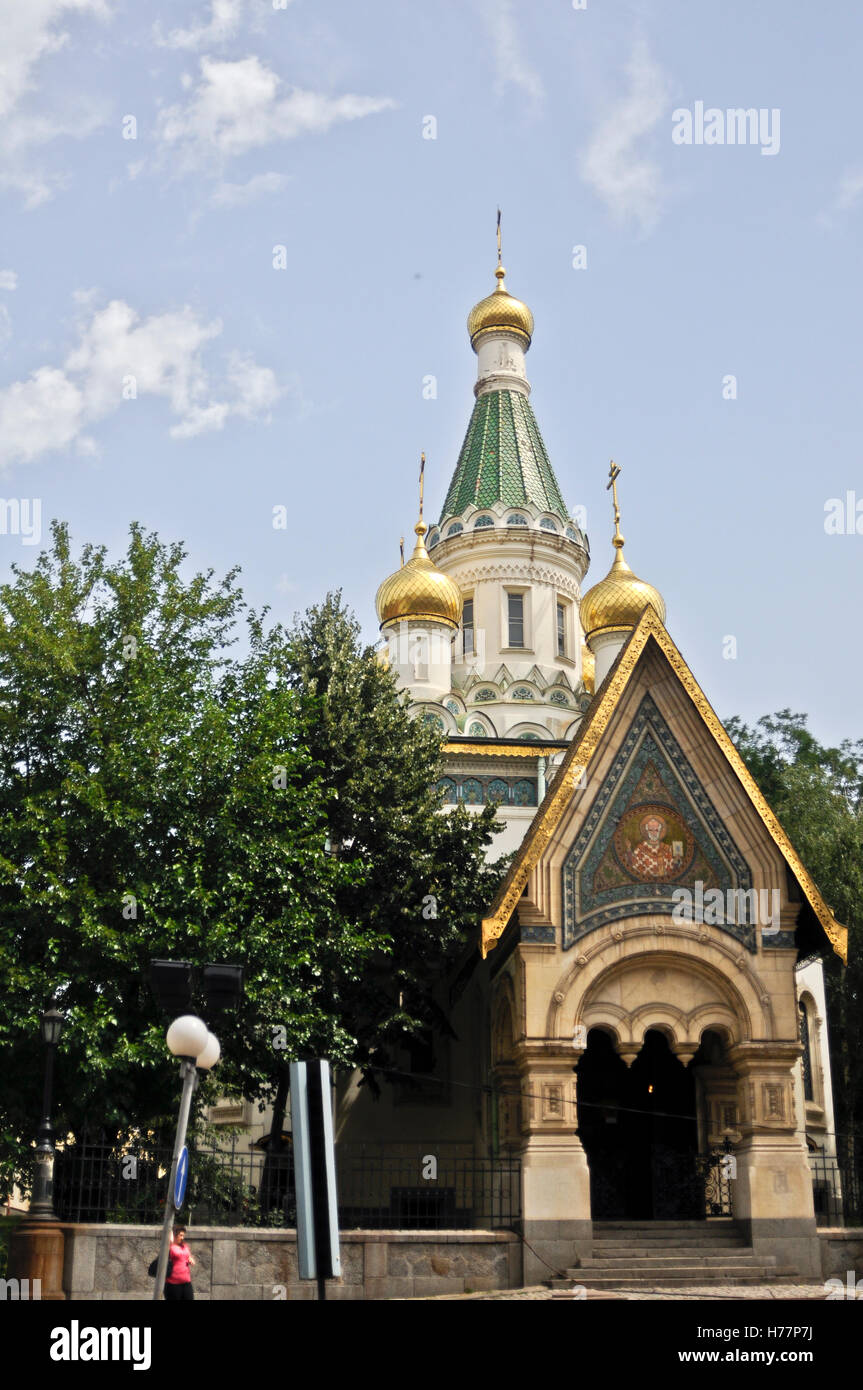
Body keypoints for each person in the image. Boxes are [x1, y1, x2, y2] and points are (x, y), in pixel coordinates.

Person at [164, 1225, 195, 1301]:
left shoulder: (184, 1246)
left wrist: (190, 1258)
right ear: (174, 1235)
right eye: (180, 1235)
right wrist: (171, 1238)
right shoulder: (169, 1247)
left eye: (183, 1236)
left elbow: (187, 1255)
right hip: (173, 1283)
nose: (182, 1238)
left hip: (186, 1281)